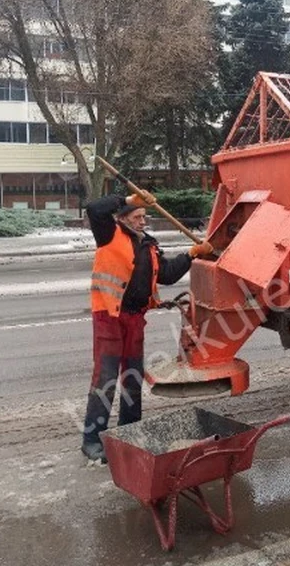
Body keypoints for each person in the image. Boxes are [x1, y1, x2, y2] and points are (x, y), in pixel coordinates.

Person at [81, 192, 213, 464]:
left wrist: (191, 255)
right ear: (123, 218)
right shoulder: (108, 233)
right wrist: (128, 197)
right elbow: (94, 207)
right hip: (109, 316)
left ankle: (130, 430)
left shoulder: (149, 246)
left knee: (132, 378)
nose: (143, 221)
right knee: (105, 379)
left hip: (134, 318)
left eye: (144, 216)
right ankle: (93, 441)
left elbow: (165, 274)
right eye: (137, 216)